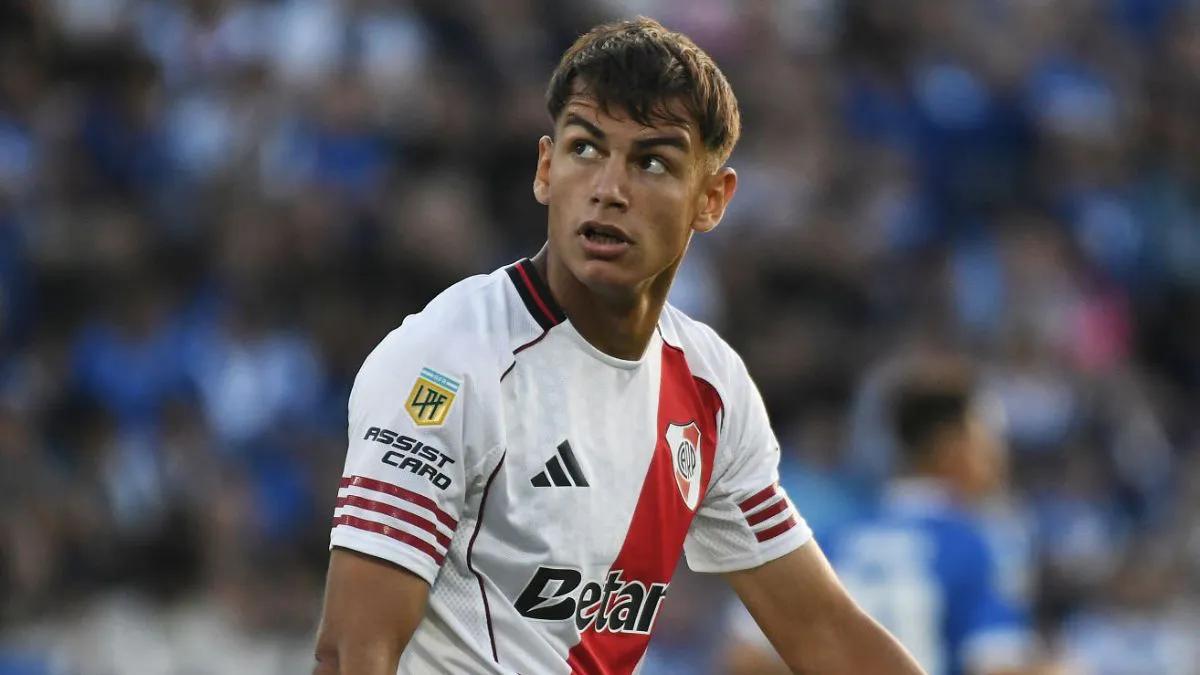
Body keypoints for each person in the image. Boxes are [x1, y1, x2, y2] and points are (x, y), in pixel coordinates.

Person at [311, 17, 925, 675]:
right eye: (585, 149)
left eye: (652, 161)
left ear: (712, 199)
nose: (609, 188)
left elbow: (825, 633)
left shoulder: (709, 385)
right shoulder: (450, 359)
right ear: (545, 169)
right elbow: (351, 651)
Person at [722, 360, 1051, 675]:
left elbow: (745, 659)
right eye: (987, 441)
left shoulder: (825, 538)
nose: (998, 458)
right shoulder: (978, 543)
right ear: (953, 447)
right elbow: (995, 667)